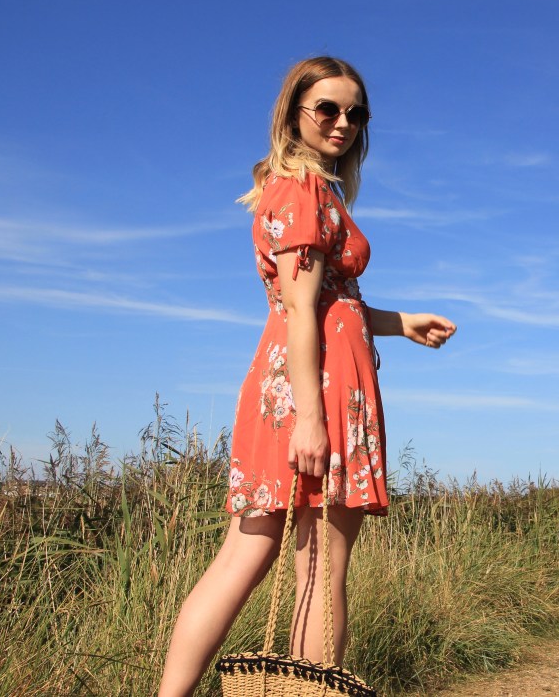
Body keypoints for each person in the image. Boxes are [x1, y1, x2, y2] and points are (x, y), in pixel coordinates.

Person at [158, 56, 456, 696]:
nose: (342, 122)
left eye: (355, 113)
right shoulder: (304, 190)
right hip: (312, 398)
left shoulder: (305, 189)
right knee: (318, 569)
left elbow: (327, 304)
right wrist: (314, 423)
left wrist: (401, 322)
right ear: (294, 114)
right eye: (327, 109)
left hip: (300, 389)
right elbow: (299, 310)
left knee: (249, 556)